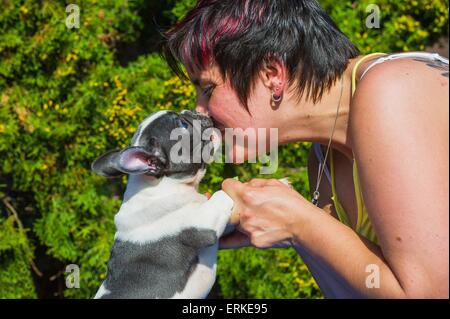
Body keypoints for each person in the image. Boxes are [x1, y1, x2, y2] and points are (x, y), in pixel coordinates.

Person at [162, 0, 449, 298]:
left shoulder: (393, 90)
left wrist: (299, 221)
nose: (200, 111)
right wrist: (292, 228)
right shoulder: (322, 160)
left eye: (207, 89)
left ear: (272, 74)